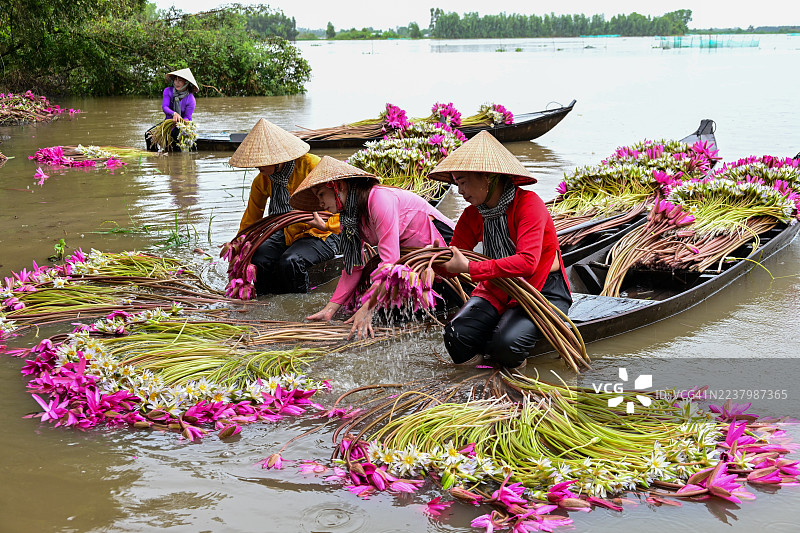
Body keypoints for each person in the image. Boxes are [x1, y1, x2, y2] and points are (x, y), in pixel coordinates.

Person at [428, 131, 572, 369]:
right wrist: (436, 263)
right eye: (457, 184)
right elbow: (455, 260)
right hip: (497, 287)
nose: (460, 191)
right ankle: (477, 382)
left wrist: (469, 267)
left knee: (506, 346)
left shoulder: (529, 205)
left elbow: (527, 263)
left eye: (463, 182)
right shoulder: (472, 214)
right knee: (456, 335)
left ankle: (513, 386)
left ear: (486, 177)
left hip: (540, 288)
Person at [290, 156, 455, 339]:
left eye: (321, 194)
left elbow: (389, 264)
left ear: (339, 187)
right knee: (383, 314)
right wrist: (329, 310)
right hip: (409, 257)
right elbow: (353, 266)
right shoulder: (348, 219)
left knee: (443, 307)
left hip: (438, 244)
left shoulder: (379, 200)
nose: (320, 203)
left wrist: (367, 307)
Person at [230, 119, 340, 294]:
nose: (258, 167)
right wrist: (238, 246)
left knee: (291, 262)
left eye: (262, 162)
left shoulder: (311, 166)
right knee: (258, 259)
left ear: (277, 159)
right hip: (287, 231)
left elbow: (340, 202)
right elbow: (252, 217)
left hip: (322, 231)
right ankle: (265, 302)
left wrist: (330, 225)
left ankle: (297, 307)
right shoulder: (262, 180)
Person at [145, 68, 199, 151]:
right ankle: (153, 157)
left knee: (174, 138)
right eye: (175, 80)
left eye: (180, 81)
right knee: (148, 135)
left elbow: (187, 117)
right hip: (169, 121)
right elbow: (165, 107)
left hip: (183, 124)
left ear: (187, 83)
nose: (176, 83)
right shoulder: (168, 91)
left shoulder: (191, 99)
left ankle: (176, 160)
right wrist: (174, 114)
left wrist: (179, 122)